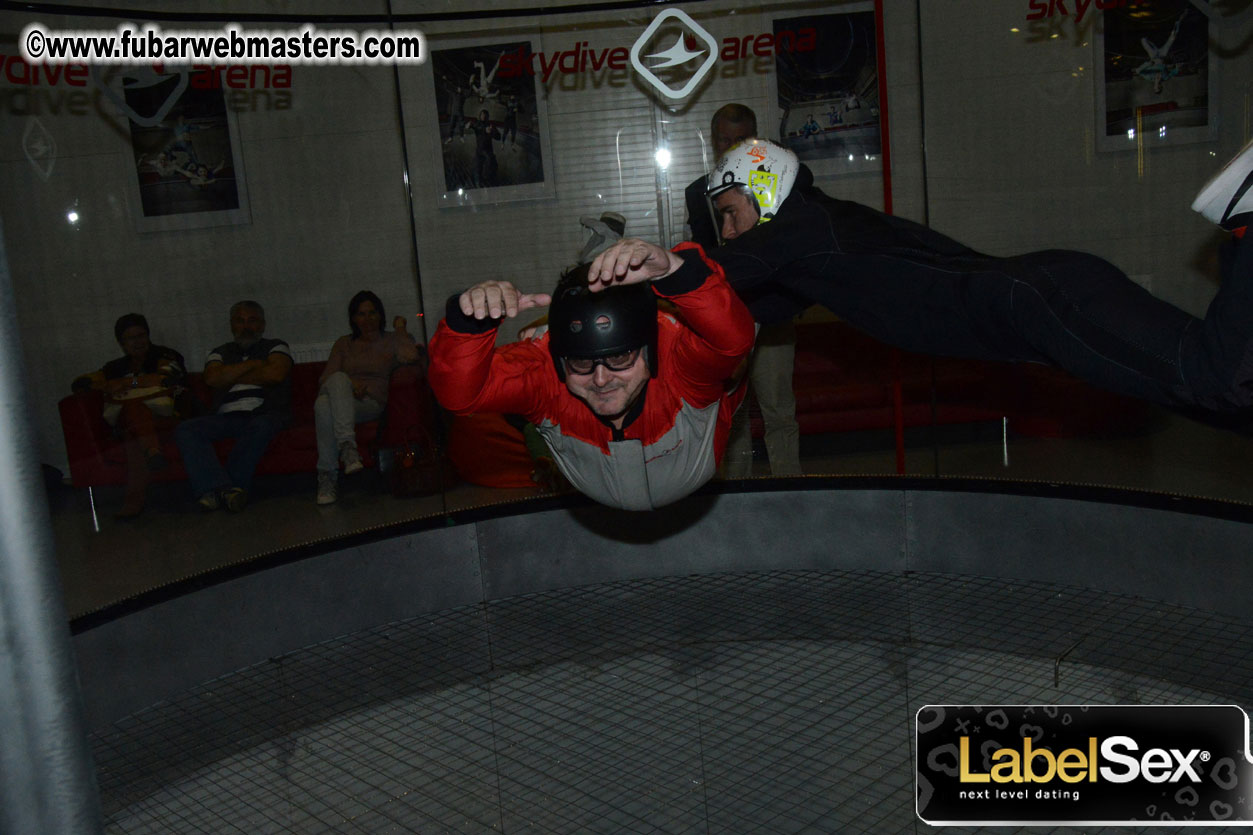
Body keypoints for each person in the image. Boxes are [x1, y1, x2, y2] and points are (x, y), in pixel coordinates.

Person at [701, 136, 1253, 421]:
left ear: (764, 189)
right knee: (1226, 402)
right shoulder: (810, 248)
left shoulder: (801, 227)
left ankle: (1247, 218)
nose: (727, 231)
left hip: (1043, 301)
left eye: (729, 213)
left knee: (1215, 379)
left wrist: (648, 269)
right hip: (1042, 301)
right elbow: (744, 306)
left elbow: (705, 275)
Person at [428, 239, 755, 511]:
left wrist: (676, 272)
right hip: (609, 482)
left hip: (696, 436)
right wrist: (469, 325)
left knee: (742, 317)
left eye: (619, 357)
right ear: (561, 360)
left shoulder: (675, 357)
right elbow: (460, 396)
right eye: (581, 364)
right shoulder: (546, 372)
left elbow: (733, 341)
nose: (601, 380)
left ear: (648, 350)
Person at [684, 104, 802, 477]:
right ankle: (736, 495)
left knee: (779, 410)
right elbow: (704, 255)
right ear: (714, 141)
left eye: (741, 139)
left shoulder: (782, 183)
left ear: (754, 141)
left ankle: (791, 490)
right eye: (725, 140)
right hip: (726, 317)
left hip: (773, 311)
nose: (732, 146)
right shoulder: (698, 192)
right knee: (732, 413)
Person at [174, 301, 293, 512]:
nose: (246, 326)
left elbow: (275, 374)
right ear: (231, 325)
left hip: (264, 413)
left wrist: (229, 374)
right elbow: (212, 379)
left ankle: (219, 490)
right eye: (240, 321)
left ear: (262, 324)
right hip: (226, 417)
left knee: (262, 425)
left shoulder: (276, 346)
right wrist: (254, 364)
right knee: (186, 429)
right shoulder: (219, 352)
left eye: (252, 320)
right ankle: (228, 491)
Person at [71, 314, 186, 518]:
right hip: (135, 426)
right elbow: (80, 384)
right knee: (133, 426)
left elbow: (165, 377)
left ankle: (133, 502)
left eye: (141, 335)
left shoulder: (165, 354)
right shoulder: (114, 367)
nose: (138, 342)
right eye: (131, 338)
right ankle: (152, 452)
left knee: (132, 428)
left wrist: (127, 383)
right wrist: (107, 385)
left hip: (166, 419)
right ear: (122, 343)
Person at [314, 291, 421, 505]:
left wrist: (400, 328)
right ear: (353, 318)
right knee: (328, 395)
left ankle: (328, 477)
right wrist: (350, 384)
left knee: (324, 404)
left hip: (370, 402)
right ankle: (347, 451)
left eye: (372, 313)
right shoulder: (344, 343)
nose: (367, 319)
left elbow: (410, 356)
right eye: (361, 314)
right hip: (343, 397)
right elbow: (325, 378)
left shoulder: (391, 340)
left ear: (380, 315)